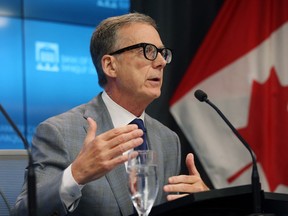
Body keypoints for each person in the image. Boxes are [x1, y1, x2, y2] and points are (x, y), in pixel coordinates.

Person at [12, 12, 209, 216]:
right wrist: (76, 175)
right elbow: (23, 212)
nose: (161, 62)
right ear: (110, 65)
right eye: (148, 51)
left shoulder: (168, 140)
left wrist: (202, 203)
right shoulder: (59, 132)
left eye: (162, 53)